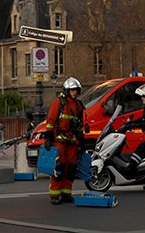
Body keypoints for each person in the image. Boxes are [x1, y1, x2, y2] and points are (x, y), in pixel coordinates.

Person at [45, 76, 86, 204]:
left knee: (71, 169)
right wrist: (48, 137)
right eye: (72, 90)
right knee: (59, 168)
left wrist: (82, 139)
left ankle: (66, 193)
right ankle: (55, 195)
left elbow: (80, 124)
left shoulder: (79, 105)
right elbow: (51, 121)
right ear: (67, 90)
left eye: (76, 90)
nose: (74, 92)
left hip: (72, 141)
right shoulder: (59, 103)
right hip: (59, 141)